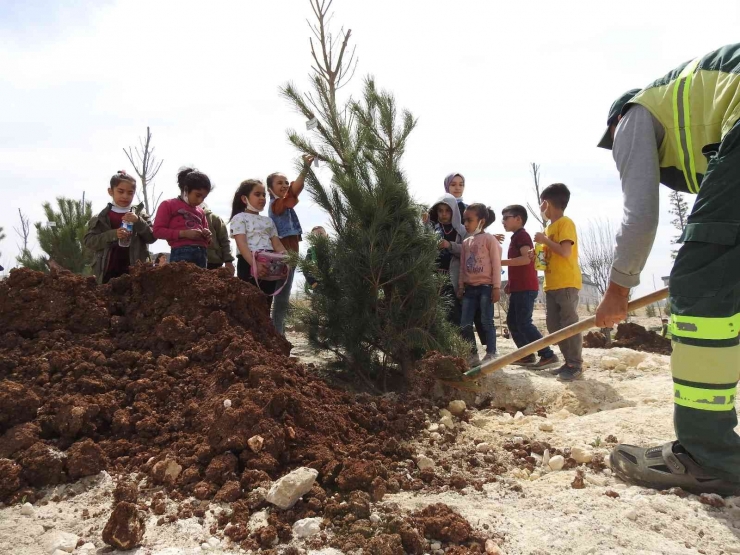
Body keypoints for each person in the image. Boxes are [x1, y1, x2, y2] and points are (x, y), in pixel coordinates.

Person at [595, 43, 740, 495]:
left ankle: (705, 454)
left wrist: (617, 289)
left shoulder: (633, 117)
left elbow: (640, 215)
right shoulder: (698, 115)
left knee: (702, 279)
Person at [533, 183, 583, 381]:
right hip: (551, 283)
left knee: (570, 324)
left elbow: (564, 251)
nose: (541, 208)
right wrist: (536, 252)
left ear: (546, 203)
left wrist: (545, 241)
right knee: (554, 327)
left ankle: (575, 363)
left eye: (541, 204)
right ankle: (567, 361)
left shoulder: (565, 223)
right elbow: (548, 256)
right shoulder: (548, 227)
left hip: (566, 282)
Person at [501, 205, 558, 369]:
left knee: (524, 322)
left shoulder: (522, 236)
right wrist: (510, 284)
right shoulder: (516, 237)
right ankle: (525, 355)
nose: (503, 221)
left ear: (518, 219)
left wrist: (499, 262)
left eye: (506, 218)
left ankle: (547, 354)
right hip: (518, 287)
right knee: (512, 321)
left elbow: (526, 259)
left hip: (526, 287)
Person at [267, 155, 315, 335]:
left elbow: (293, 191)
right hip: (283, 259)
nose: (285, 185)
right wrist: (305, 168)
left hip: (291, 259)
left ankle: (277, 335)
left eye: (286, 182)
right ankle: (278, 337)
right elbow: (294, 192)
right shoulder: (277, 205)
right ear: (270, 188)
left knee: (282, 301)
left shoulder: (284, 204)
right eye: (279, 182)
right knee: (281, 301)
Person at [84, 170, 155, 284]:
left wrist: (138, 221)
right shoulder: (101, 217)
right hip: (107, 273)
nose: (125, 196)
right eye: (121, 191)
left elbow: (151, 237)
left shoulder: (140, 215)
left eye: (130, 193)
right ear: (110, 191)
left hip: (136, 273)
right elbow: (89, 241)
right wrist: (113, 234)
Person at [229, 179, 286, 308]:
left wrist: (286, 262)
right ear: (244, 199)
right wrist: (255, 264)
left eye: (264, 195)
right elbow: (242, 245)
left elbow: (277, 245)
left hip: (270, 264)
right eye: (257, 194)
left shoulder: (268, 221)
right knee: (248, 303)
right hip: (249, 263)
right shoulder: (239, 218)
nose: (262, 198)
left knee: (266, 303)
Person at [458, 203, 502, 366]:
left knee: (486, 321)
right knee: (465, 324)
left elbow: (496, 264)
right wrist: (461, 286)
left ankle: (491, 352)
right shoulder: (466, 243)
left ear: (481, 221)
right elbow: (463, 266)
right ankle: (472, 354)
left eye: (469, 220)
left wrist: (496, 287)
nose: (466, 224)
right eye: (464, 220)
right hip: (469, 289)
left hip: (485, 288)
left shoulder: (489, 239)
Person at [153, 168, 212, 268]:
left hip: (202, 253)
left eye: (203, 197)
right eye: (197, 195)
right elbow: (157, 231)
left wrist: (207, 234)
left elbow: (209, 240)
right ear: (186, 189)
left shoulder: (201, 211)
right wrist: (183, 233)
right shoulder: (168, 205)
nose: (200, 200)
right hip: (180, 252)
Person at [428, 194, 467, 324]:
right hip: (433, 278)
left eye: (447, 210)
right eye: (440, 210)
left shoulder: (462, 230)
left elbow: (469, 251)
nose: (444, 214)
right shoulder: (431, 229)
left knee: (456, 317)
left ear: (454, 211)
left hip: (454, 279)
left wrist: (450, 245)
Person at [203, 206, 235, 273]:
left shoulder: (214, 218)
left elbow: (224, 241)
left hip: (213, 263)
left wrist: (228, 261)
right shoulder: (181, 216)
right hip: (188, 260)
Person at [304, 225, 327, 292]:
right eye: (316, 235)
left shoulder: (333, 249)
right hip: (318, 284)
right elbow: (306, 268)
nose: (319, 236)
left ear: (327, 235)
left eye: (321, 234)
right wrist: (313, 283)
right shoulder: (311, 251)